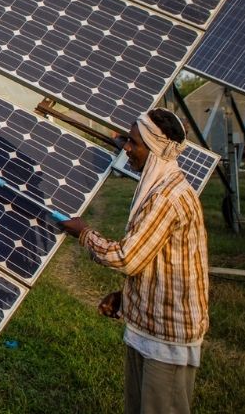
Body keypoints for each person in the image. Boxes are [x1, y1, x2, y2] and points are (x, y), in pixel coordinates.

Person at [61, 108, 209, 414]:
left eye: (133, 142)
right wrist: (127, 298)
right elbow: (152, 261)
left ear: (154, 148)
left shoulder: (167, 197)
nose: (127, 147)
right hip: (149, 324)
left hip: (167, 335)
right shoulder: (158, 188)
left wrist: (84, 233)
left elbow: (127, 258)